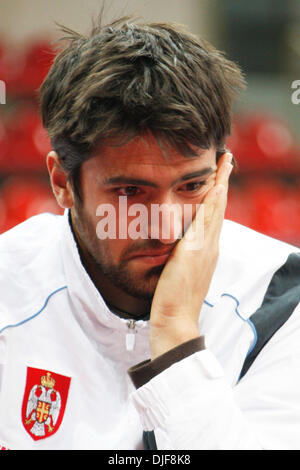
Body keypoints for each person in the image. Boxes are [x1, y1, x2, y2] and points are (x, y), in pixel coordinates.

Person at [0, 15, 299, 451]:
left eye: (192, 186)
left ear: (221, 174)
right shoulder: (7, 288)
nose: (164, 223)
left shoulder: (281, 301)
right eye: (130, 191)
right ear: (63, 183)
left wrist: (177, 333)